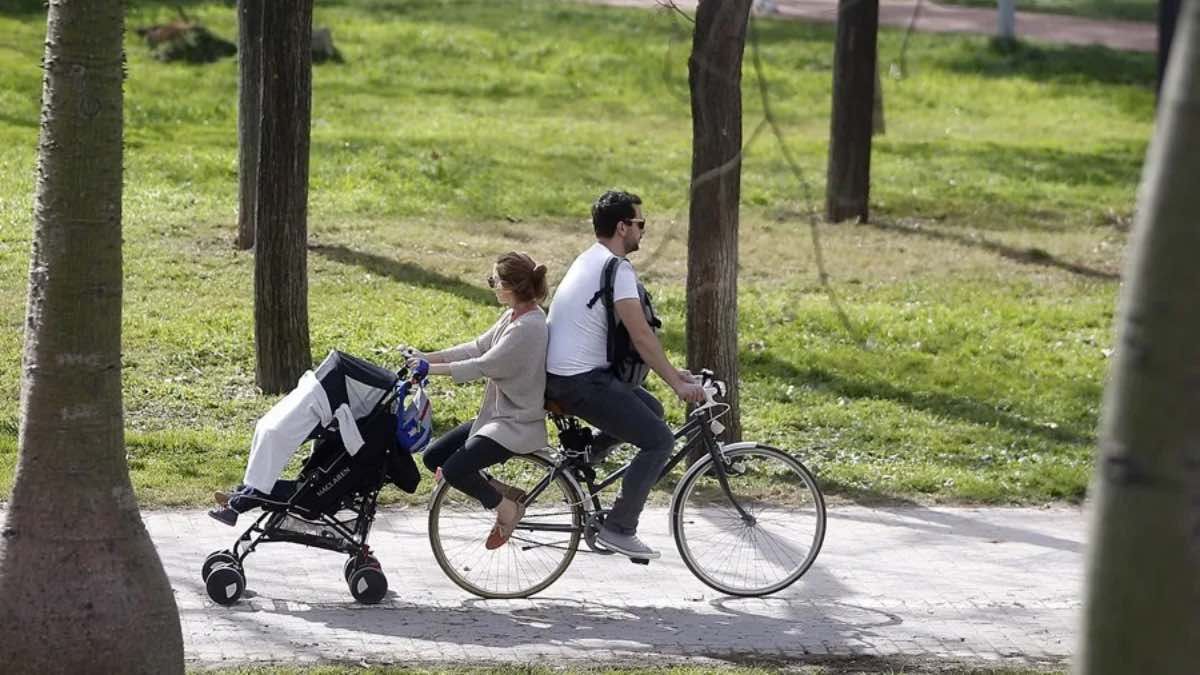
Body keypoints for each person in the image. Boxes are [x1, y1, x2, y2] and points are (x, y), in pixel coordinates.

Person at [544, 190, 705, 560]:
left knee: (651, 410)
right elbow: (641, 335)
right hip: (579, 382)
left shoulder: (590, 258)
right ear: (622, 227)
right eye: (640, 224)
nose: (643, 232)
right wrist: (678, 384)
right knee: (659, 441)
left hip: (570, 376)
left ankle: (588, 455)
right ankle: (620, 527)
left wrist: (674, 372)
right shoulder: (618, 269)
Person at [412, 251, 550, 549]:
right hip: (497, 417)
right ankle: (505, 493)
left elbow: (483, 365)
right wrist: (425, 357)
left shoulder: (529, 328)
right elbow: (475, 348)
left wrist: (429, 370)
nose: (492, 285)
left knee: (454, 469)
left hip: (517, 422)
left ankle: (506, 509)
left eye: (494, 281)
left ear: (511, 286)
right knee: (434, 457)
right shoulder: (513, 315)